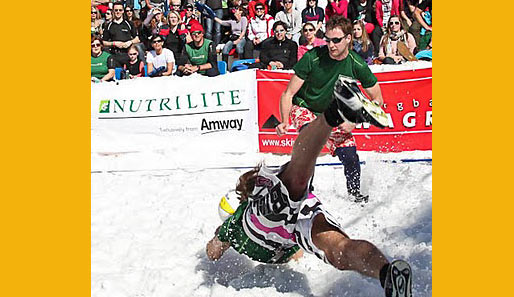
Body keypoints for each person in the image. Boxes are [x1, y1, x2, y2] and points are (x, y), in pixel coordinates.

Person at [205, 73, 412, 297]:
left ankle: (334, 112)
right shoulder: (241, 216)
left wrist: (222, 238)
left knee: (298, 179)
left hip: (272, 226)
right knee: (338, 249)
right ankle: (386, 272)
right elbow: (296, 255)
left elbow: (212, 252)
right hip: (298, 220)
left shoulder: (234, 225)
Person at [276, 15, 383, 202]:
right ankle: (304, 193)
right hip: (305, 108)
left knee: (350, 156)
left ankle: (355, 195)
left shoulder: (357, 63)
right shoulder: (313, 57)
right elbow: (288, 94)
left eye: (336, 40)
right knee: (310, 142)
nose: (331, 45)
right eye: (327, 40)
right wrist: (284, 121)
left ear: (348, 39)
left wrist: (354, 121)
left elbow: (377, 99)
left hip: (334, 114)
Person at [102, 2, 141, 67]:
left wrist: (130, 42)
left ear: (123, 11)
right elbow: (104, 42)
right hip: (114, 54)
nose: (118, 12)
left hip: (128, 54)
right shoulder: (108, 25)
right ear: (113, 11)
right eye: (116, 10)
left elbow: (138, 39)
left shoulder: (129, 24)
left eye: (120, 10)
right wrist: (114, 43)